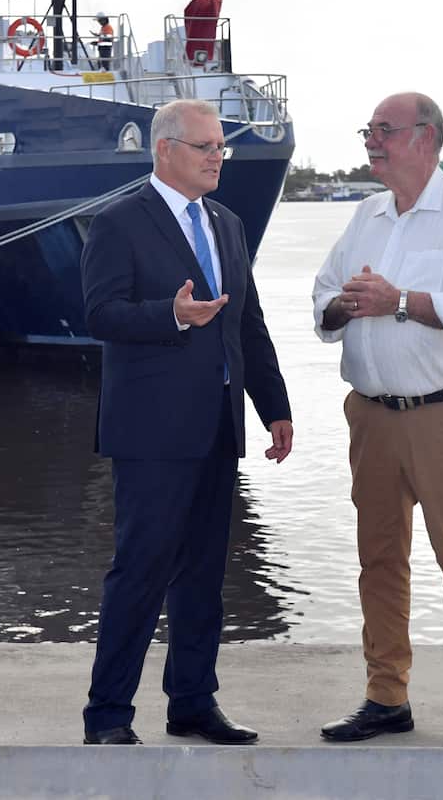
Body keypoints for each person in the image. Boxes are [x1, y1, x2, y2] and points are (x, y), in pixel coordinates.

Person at [80, 99, 294, 745]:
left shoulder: (227, 223)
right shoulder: (118, 222)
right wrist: (170, 316)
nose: (217, 157)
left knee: (204, 575)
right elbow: (101, 314)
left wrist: (274, 405)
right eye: (205, 147)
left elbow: (246, 323)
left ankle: (193, 704)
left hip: (217, 429)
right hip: (151, 433)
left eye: (220, 147)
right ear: (165, 150)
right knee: (140, 572)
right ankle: (108, 715)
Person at [312, 92, 443, 748]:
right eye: (368, 129)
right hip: (370, 417)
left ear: (425, 139)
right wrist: (344, 304)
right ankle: (386, 697)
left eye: (384, 131)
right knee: (379, 562)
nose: (371, 140)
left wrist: (399, 302)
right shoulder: (366, 215)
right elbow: (322, 301)